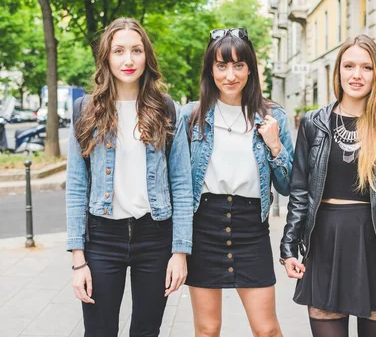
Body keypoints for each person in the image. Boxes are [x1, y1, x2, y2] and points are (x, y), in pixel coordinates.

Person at [280, 34, 376, 337]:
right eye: (349, 66)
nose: (356, 74)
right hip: (325, 242)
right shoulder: (314, 123)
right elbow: (300, 192)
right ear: (338, 71)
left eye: (366, 67)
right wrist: (288, 248)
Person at [65, 17, 193, 337]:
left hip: (155, 236)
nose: (128, 59)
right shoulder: (86, 109)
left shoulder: (165, 108)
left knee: (146, 331)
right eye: (118, 50)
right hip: (102, 238)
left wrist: (180, 252)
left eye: (136, 50)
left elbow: (181, 182)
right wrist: (78, 260)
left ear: (146, 56)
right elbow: (77, 187)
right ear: (106, 57)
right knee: (99, 332)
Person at [181, 28, 294, 337]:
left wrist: (275, 147)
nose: (230, 75)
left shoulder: (272, 117)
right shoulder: (191, 116)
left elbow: (289, 186)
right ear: (210, 70)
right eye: (221, 65)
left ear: (250, 69)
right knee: (207, 329)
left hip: (250, 230)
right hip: (203, 227)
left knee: (267, 329)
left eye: (238, 65)